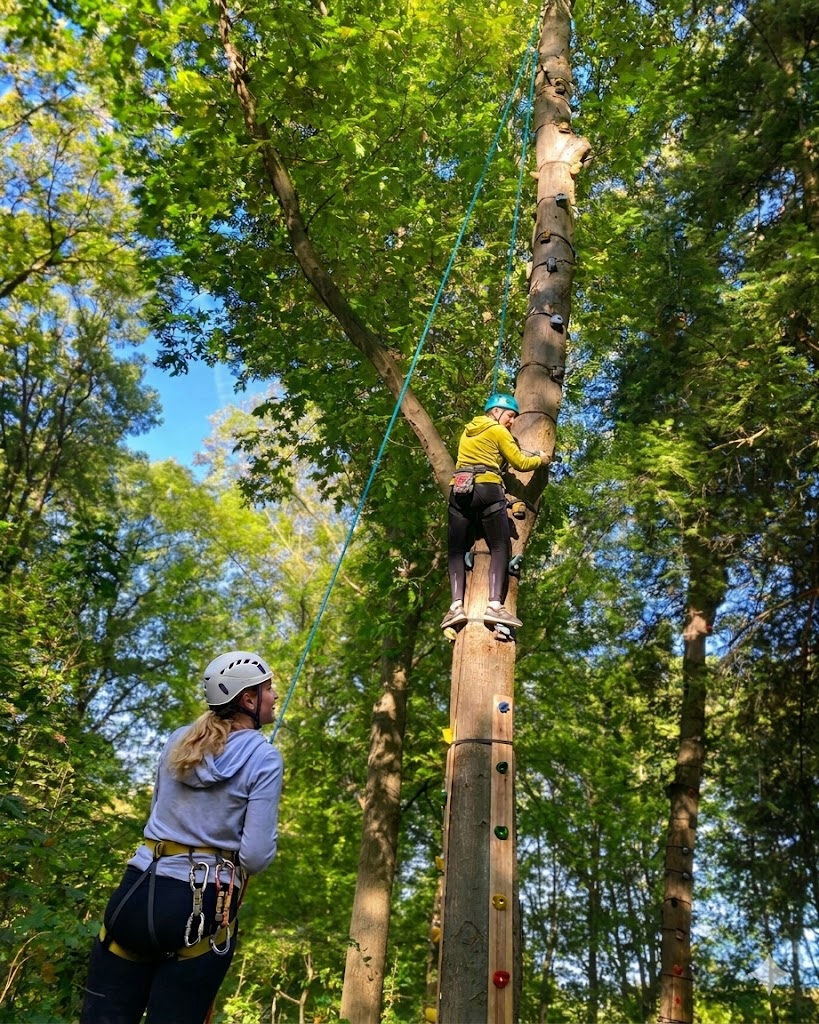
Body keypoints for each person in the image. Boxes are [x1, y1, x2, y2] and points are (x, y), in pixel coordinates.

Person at [81, 651, 283, 1024]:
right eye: (268, 688)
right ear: (248, 700)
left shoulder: (178, 740)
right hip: (200, 907)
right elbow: (254, 857)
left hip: (136, 893)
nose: (274, 696)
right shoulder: (264, 758)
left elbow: (157, 813)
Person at [442, 393, 550, 632]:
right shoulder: (499, 431)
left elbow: (482, 455)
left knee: (457, 550)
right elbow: (521, 462)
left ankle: (456, 606)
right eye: (510, 416)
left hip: (459, 489)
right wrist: (541, 460)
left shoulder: (467, 431)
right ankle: (494, 605)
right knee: (500, 546)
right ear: (497, 412)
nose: (512, 421)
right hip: (487, 488)